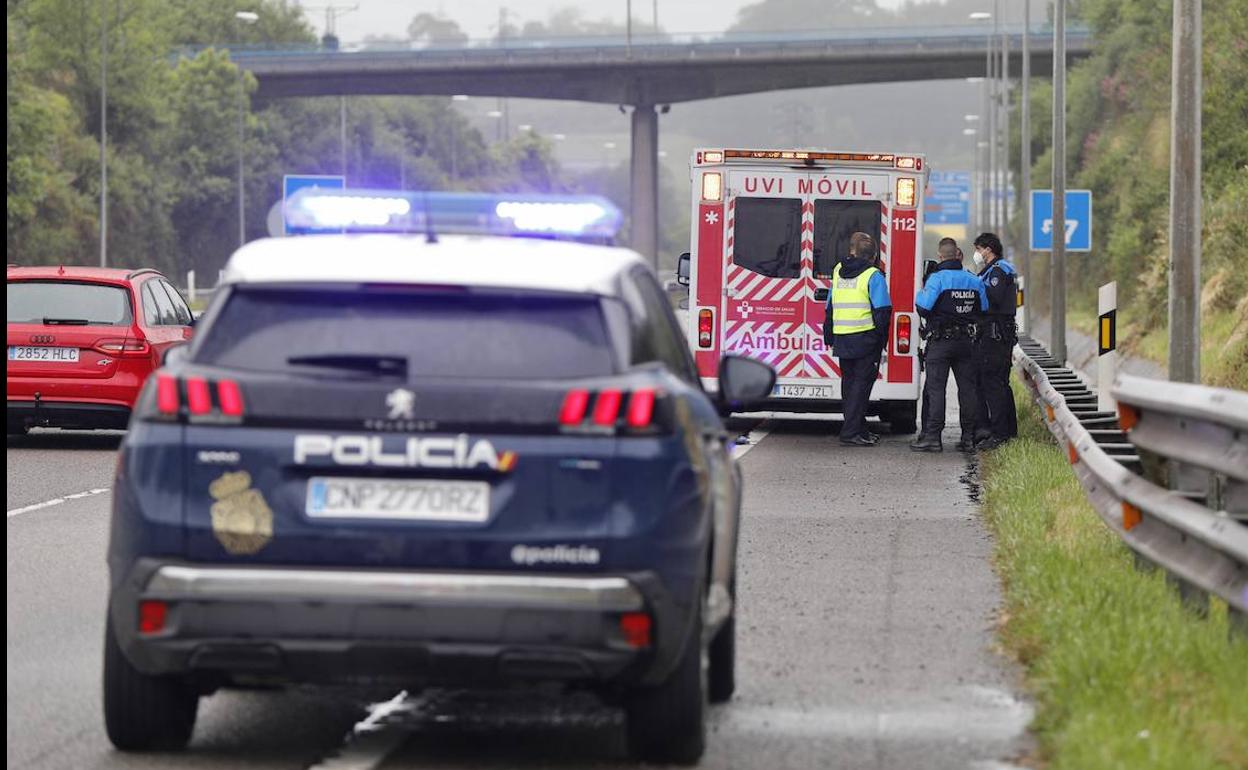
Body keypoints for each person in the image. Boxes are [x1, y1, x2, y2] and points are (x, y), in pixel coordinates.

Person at [910, 238, 987, 453]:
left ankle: (933, 437)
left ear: (940, 255)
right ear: (957, 255)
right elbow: (984, 310)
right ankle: (968, 438)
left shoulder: (937, 279)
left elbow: (923, 308)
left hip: (941, 342)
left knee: (936, 390)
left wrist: (920, 292)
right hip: (966, 343)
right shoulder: (974, 280)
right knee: (967, 390)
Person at [824, 232, 892, 447]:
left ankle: (859, 429)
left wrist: (829, 333)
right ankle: (851, 432)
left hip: (843, 336)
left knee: (850, 384)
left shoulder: (838, 270)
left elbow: (830, 304)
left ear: (852, 252)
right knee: (861, 387)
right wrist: (882, 341)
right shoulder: (874, 275)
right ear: (872, 256)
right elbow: (882, 311)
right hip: (865, 337)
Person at [971, 232, 1019, 450]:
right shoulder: (994, 269)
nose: (978, 254)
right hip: (998, 333)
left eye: (979, 249)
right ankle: (1008, 431)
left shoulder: (998, 271)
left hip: (994, 333)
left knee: (993, 383)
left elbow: (994, 298)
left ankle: (999, 434)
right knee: (1000, 383)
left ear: (988, 249)